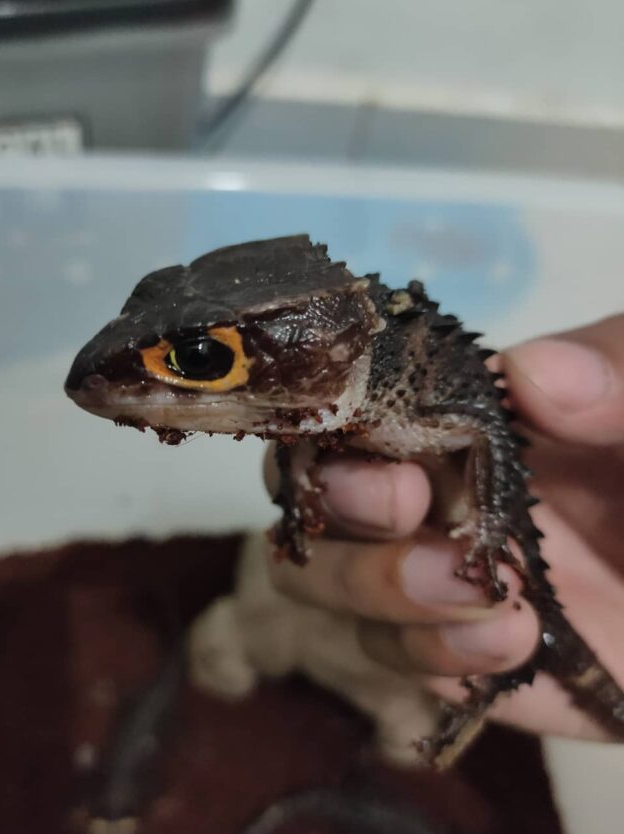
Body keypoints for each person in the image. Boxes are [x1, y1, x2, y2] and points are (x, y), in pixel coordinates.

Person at [264, 315, 624, 741]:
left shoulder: (391, 386)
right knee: (500, 625)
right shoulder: (317, 402)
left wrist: (489, 524)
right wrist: (298, 497)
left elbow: (482, 428)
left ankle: (485, 698)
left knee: (528, 626)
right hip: (461, 513)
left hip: (491, 506)